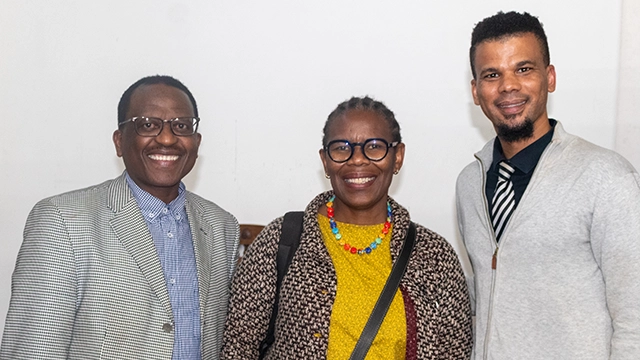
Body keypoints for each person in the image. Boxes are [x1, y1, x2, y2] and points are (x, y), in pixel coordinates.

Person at [0, 75, 239, 359]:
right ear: (119, 141)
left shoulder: (222, 226)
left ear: (196, 143)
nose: (166, 138)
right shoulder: (62, 221)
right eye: (148, 125)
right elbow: (34, 349)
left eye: (181, 126)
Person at [222, 96, 472, 359]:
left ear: (397, 157)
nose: (357, 160)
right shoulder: (281, 239)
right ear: (325, 161)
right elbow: (238, 346)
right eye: (342, 148)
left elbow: (454, 352)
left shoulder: (434, 256)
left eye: (374, 146)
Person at [456, 11, 640, 359]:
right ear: (476, 91)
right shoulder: (470, 183)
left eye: (523, 69)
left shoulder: (607, 178)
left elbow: (635, 321)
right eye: (492, 74)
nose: (508, 85)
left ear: (550, 77)